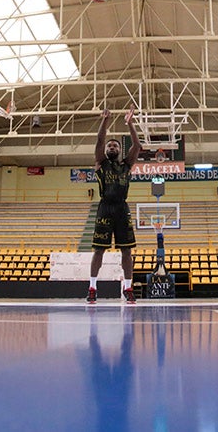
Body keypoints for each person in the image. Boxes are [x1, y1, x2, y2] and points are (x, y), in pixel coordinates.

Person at [86, 109, 141, 304]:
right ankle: (92, 287)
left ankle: (128, 288)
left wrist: (130, 123)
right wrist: (105, 120)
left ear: (119, 150)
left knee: (127, 251)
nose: (111, 147)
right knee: (98, 250)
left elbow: (137, 145)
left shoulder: (126, 165)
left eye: (115, 145)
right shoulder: (101, 163)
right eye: (109, 145)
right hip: (105, 208)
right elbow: (99, 141)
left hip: (122, 208)